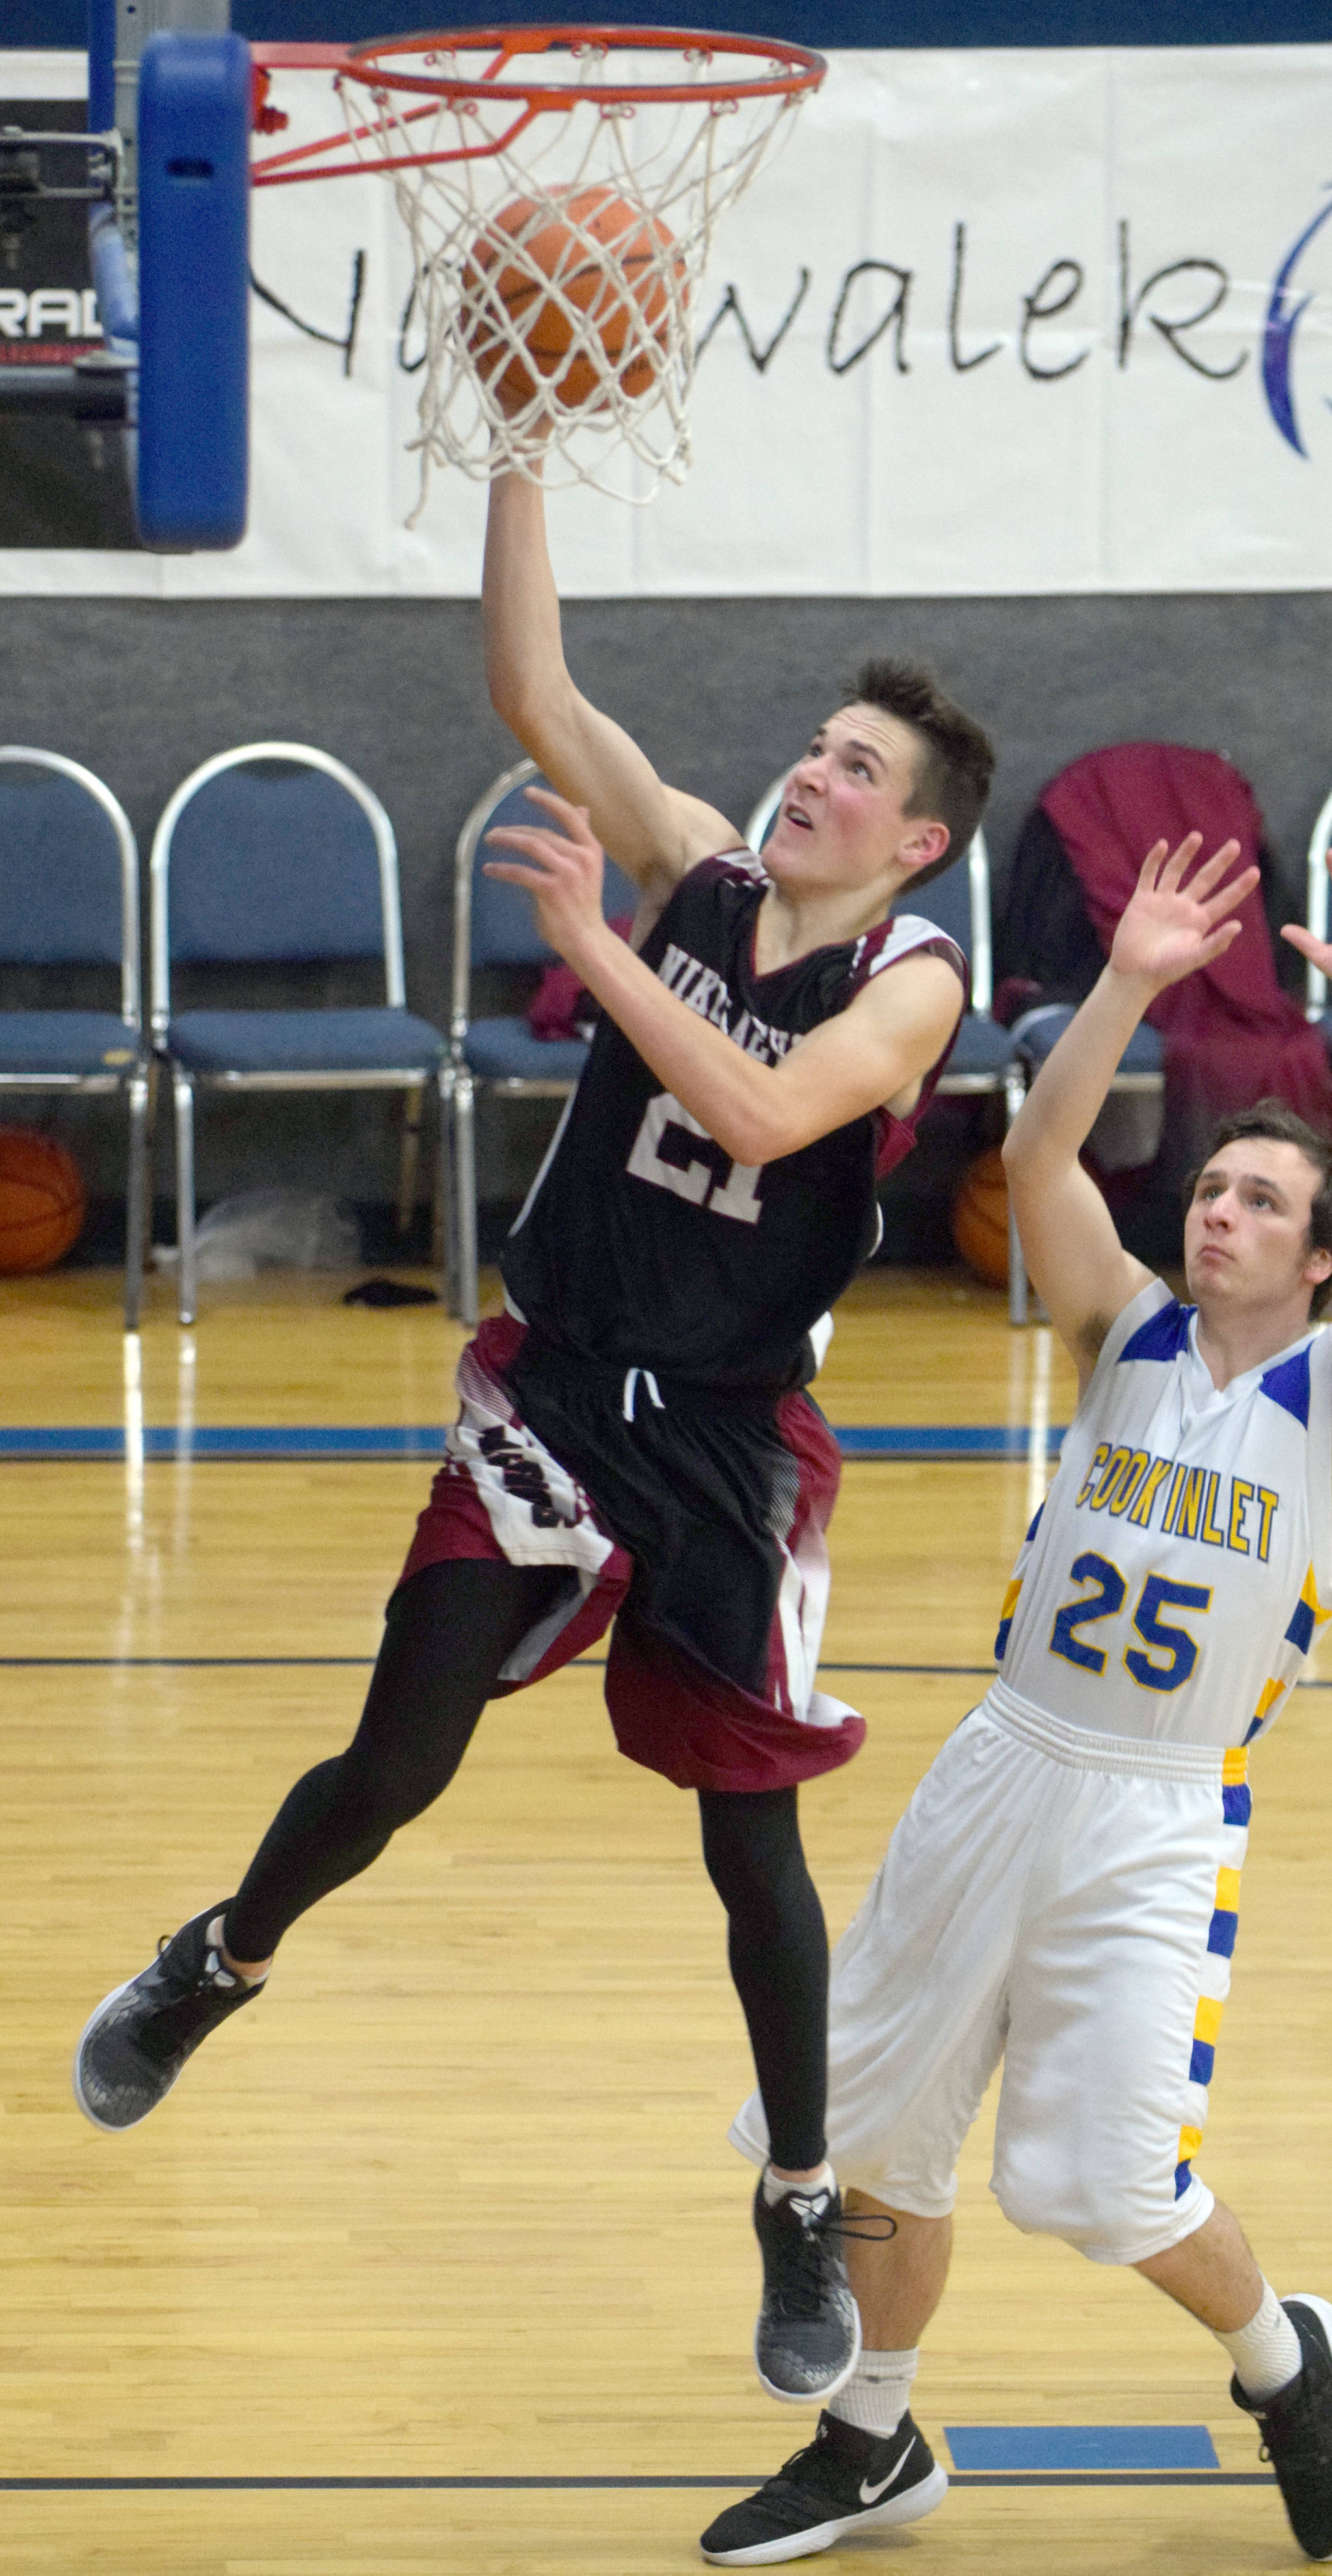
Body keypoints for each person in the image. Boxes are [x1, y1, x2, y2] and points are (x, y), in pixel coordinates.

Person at [73, 466, 994, 2407]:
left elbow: (763, 1115)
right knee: (399, 1753)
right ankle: (216, 1958)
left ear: (913, 839)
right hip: (551, 1397)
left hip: (733, 1443)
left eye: (851, 767)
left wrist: (599, 953)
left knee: (757, 1849)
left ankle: (800, 2196)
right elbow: (530, 682)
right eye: (812, 743)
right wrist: (516, 445)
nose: (808, 773)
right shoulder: (699, 867)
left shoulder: (913, 987)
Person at [703, 829, 1332, 2564]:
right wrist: (1129, 976)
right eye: (1215, 1187)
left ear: (1321, 1259)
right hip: (1005, 1762)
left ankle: (1289, 2365)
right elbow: (1045, 1143)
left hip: (1155, 1805)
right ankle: (873, 2437)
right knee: (884, 2144)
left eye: (1265, 1200)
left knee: (1111, 2185)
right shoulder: (1124, 1325)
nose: (1222, 1210)